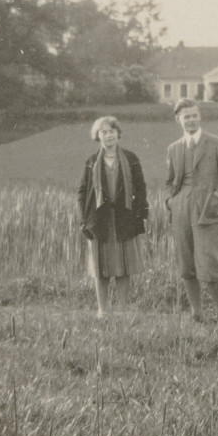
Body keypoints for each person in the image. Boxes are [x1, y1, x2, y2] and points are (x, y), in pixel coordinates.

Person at [165, 98, 218, 322]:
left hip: (207, 211)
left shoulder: (216, 144)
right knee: (186, 263)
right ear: (178, 119)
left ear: (200, 116)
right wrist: (171, 201)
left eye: (194, 115)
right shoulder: (174, 148)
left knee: (209, 264)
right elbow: (169, 181)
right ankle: (197, 313)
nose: (191, 120)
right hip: (181, 211)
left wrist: (216, 197)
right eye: (186, 116)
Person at [77, 116, 149, 318]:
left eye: (111, 131)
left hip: (124, 219)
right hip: (99, 221)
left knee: (124, 266)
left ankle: (123, 310)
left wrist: (140, 215)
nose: (108, 136)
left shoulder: (131, 159)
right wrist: (84, 220)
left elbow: (141, 188)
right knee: (101, 267)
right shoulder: (91, 162)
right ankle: (102, 310)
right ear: (97, 136)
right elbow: (82, 192)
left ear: (118, 134)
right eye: (104, 132)